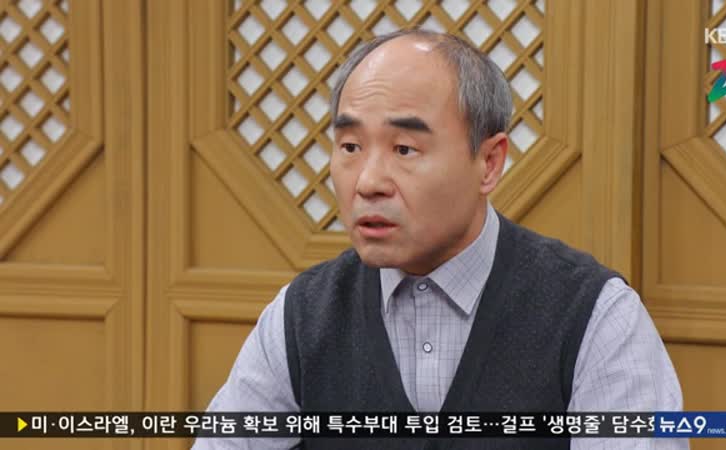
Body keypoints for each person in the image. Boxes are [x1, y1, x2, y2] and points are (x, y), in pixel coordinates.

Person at [194, 29, 688, 449]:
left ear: (489, 162)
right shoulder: (302, 315)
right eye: (350, 146)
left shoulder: (594, 315)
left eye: (404, 149)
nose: (368, 181)